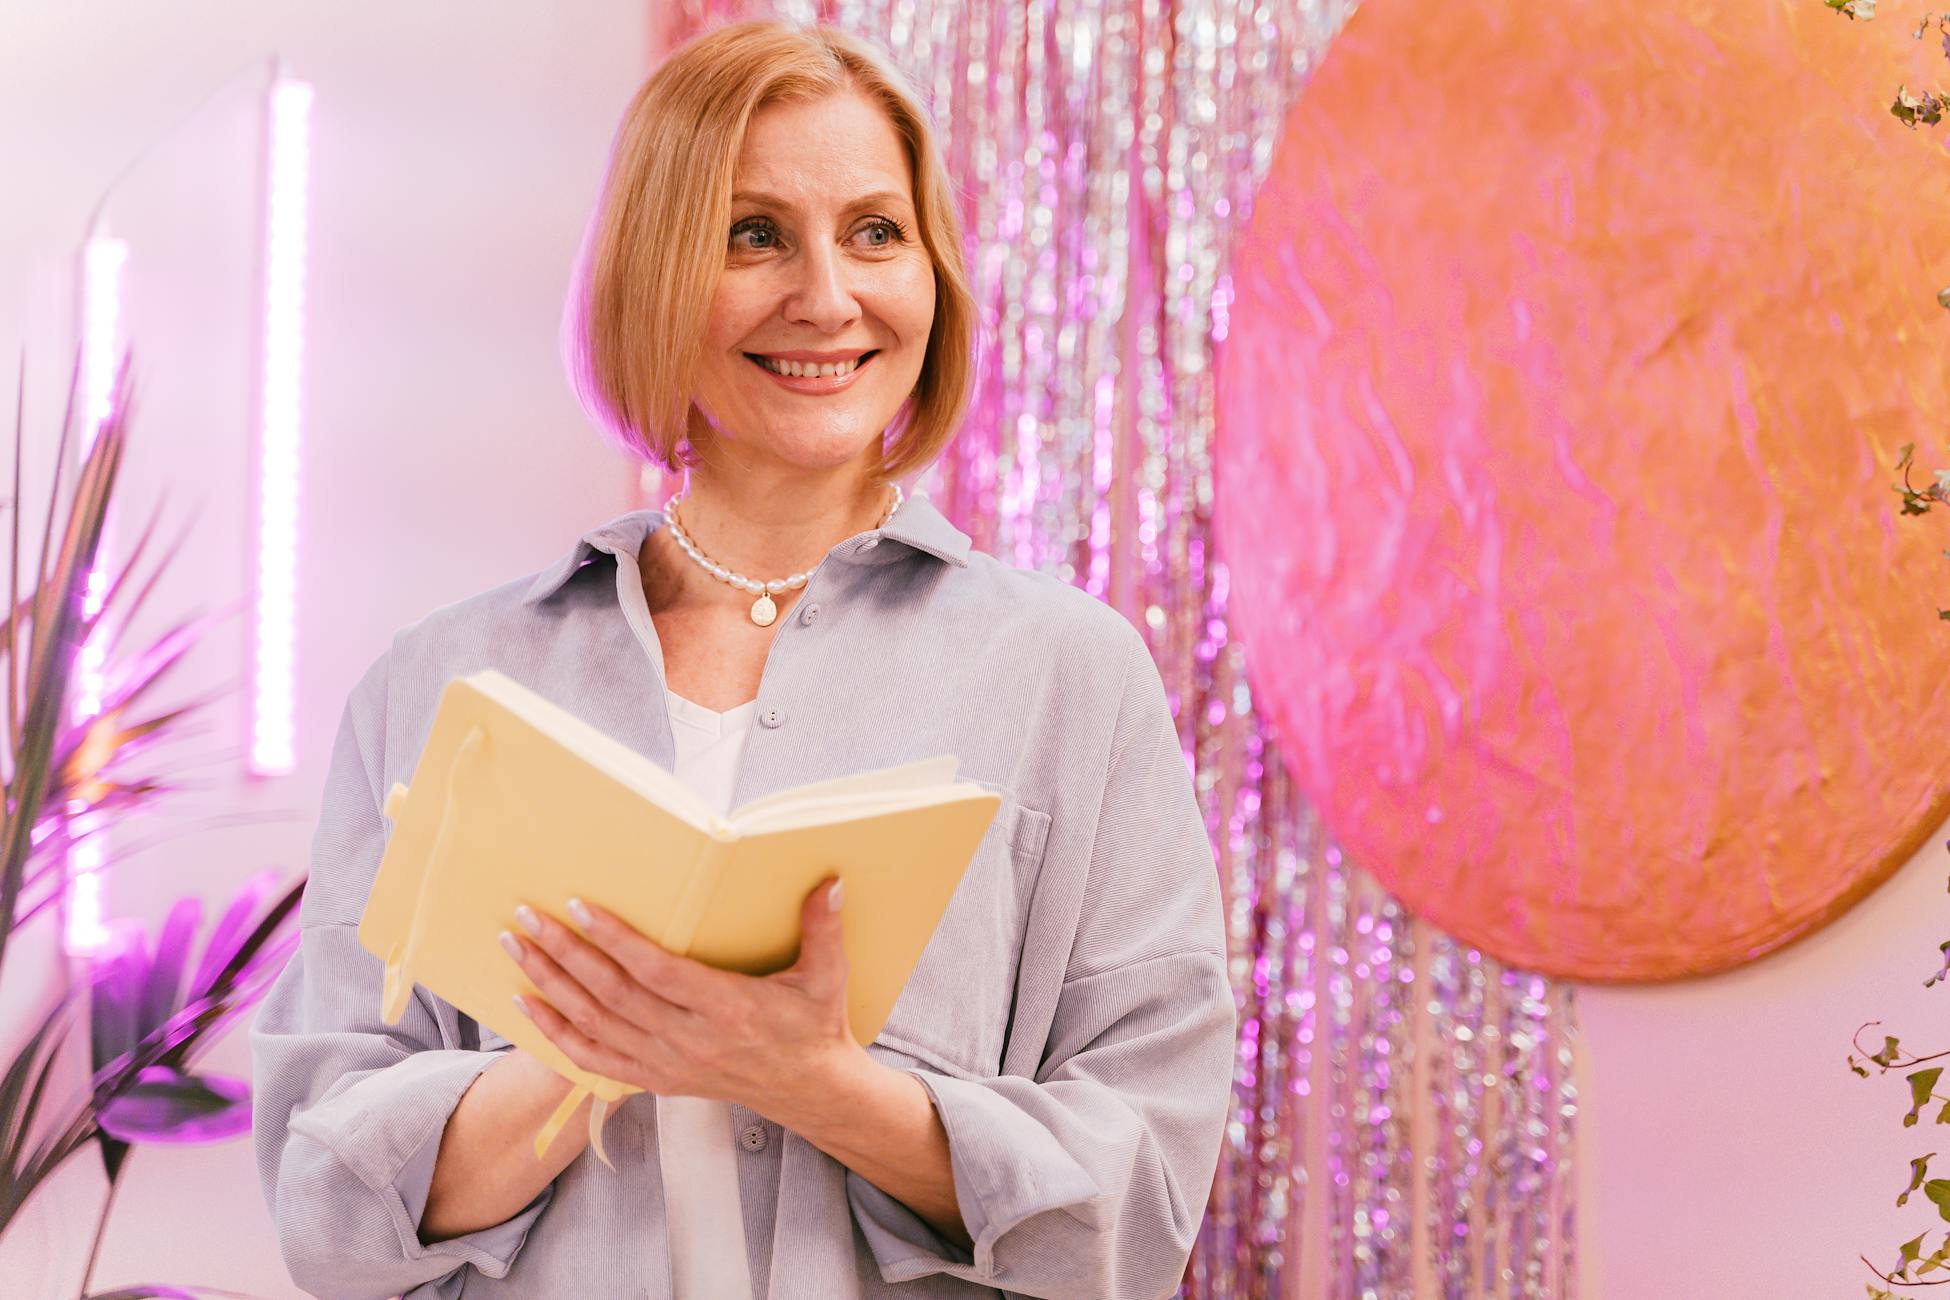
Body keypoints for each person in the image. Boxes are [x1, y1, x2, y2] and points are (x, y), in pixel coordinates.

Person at [249, 17, 1235, 1300]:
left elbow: (1138, 1208)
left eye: (875, 232)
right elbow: (326, 1211)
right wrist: (593, 1046)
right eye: (754, 233)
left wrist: (819, 1085)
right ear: (653, 273)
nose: (826, 296)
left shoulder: (1071, 676)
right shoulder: (442, 679)